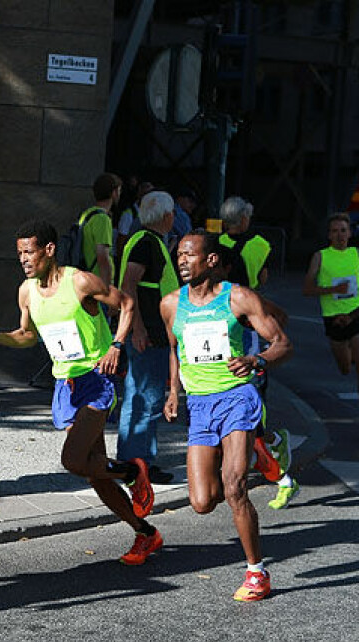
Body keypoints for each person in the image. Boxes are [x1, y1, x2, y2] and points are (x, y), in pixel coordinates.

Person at [0, 218, 161, 566]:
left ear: (49, 250)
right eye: (19, 254)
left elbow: (127, 304)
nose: (24, 259)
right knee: (96, 474)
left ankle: (134, 472)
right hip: (66, 384)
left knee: (73, 460)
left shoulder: (79, 282)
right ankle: (145, 532)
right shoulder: (27, 291)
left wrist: (117, 346)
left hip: (97, 377)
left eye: (29, 252)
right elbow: (28, 335)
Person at [161, 230, 292, 601]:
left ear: (212, 260)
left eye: (190, 255)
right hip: (200, 405)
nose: (182, 261)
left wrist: (257, 360)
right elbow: (175, 349)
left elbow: (282, 342)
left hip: (237, 397)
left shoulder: (238, 298)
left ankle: (256, 572)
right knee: (202, 502)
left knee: (235, 488)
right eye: (179, 255)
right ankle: (261, 453)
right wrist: (173, 391)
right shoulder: (171, 304)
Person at [216, 201, 297, 508]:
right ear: (246, 218)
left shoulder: (215, 245)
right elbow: (262, 281)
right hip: (245, 320)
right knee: (245, 418)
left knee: (247, 413)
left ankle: (277, 469)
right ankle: (273, 451)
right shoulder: (261, 244)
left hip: (243, 326)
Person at [116, 191, 179, 484]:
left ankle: (134, 460)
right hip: (149, 333)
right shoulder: (146, 243)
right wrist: (138, 328)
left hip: (150, 331)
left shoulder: (144, 240)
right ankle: (139, 463)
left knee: (140, 395)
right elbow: (130, 285)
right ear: (167, 216)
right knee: (147, 398)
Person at [303, 212, 359, 394]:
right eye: (335, 231)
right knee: (345, 369)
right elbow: (307, 289)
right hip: (334, 318)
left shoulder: (356, 253)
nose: (340, 235)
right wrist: (333, 290)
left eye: (343, 231)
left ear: (350, 233)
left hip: (355, 313)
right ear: (329, 235)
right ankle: (348, 353)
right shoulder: (320, 256)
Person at [218, 196, 271, 290]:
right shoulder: (261, 244)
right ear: (243, 219)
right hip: (249, 295)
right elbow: (263, 279)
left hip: (220, 295)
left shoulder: (216, 241)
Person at [80, 173, 121, 285]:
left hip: (86, 278)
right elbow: (102, 255)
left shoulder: (87, 214)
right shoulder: (103, 219)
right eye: (119, 190)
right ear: (114, 193)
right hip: (98, 282)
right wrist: (107, 288)